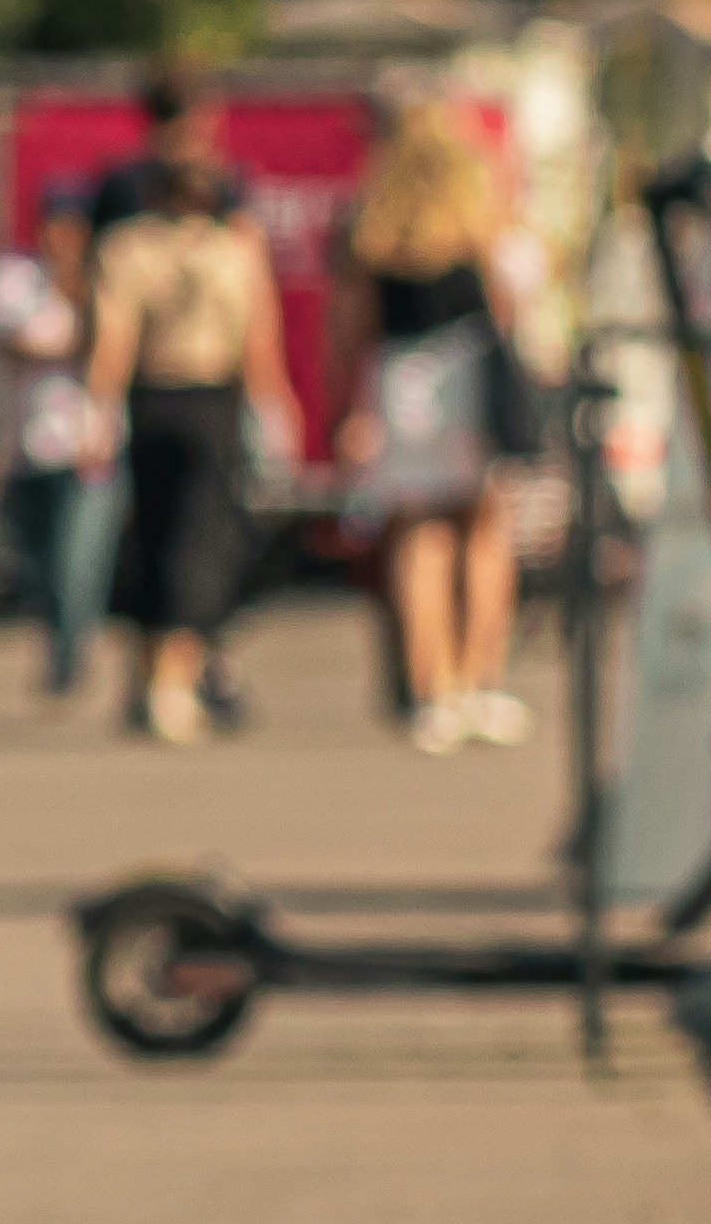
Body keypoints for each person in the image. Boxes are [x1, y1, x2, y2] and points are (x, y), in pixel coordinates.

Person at [81, 71, 289, 748]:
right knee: (196, 544)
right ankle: (172, 682)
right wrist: (274, 403)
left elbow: (111, 336)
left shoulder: (125, 245)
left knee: (152, 536)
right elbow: (257, 336)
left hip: (151, 398)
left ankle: (155, 678)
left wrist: (99, 406)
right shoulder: (235, 249)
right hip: (206, 398)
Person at [329, 97, 531, 751]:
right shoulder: (480, 216)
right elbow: (509, 305)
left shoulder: (375, 222)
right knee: (484, 530)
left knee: (418, 533)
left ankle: (432, 688)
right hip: (467, 373)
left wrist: (347, 408)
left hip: (402, 379)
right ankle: (479, 679)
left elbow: (350, 328)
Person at [0, 201, 116, 702]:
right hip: (29, 449)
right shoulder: (15, 280)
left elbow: (118, 348)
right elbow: (13, 343)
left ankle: (70, 654)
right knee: (38, 566)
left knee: (79, 562)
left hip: (92, 448)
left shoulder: (106, 282)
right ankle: (55, 640)